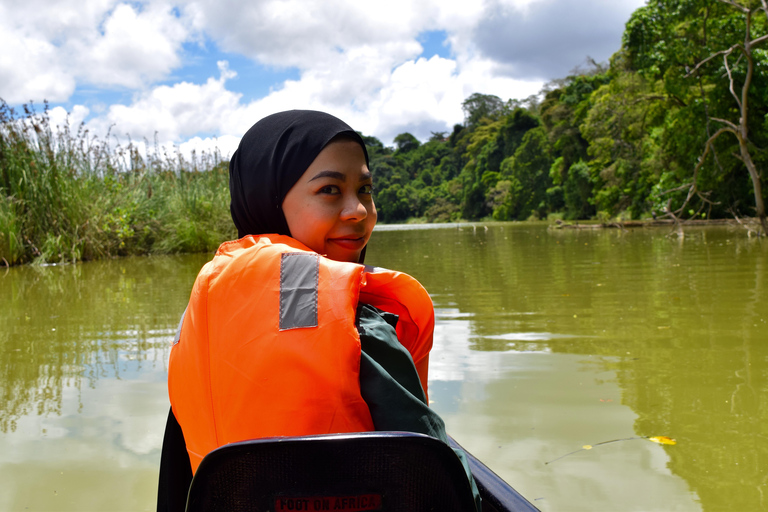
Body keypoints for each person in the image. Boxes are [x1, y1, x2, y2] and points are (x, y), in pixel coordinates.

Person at [156, 110, 479, 511]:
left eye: (365, 189)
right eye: (330, 190)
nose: (358, 210)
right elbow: (436, 481)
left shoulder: (201, 321)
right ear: (269, 199)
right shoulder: (361, 328)